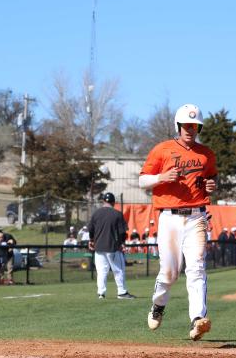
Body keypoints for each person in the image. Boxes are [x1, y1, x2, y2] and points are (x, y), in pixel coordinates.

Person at [139, 103, 217, 341]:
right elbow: (143, 180)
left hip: (196, 217)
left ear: (199, 128)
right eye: (186, 125)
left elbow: (211, 180)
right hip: (169, 218)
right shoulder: (162, 150)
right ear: (178, 125)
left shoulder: (206, 154)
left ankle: (197, 319)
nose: (190, 129)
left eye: (194, 125)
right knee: (170, 272)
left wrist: (213, 185)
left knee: (196, 268)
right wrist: (162, 177)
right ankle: (158, 305)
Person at [88, 192, 135, 300]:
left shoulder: (96, 214)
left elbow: (91, 229)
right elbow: (122, 232)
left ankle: (101, 293)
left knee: (101, 271)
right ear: (113, 202)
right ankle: (122, 292)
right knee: (118, 270)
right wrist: (121, 243)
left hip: (99, 248)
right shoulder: (117, 214)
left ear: (103, 201)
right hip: (112, 247)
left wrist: (91, 240)